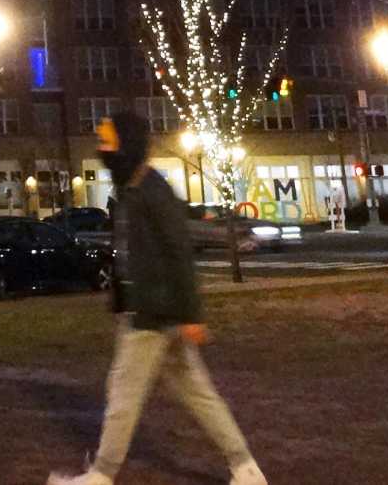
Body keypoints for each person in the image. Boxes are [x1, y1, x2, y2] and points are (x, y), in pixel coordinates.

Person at [49, 117, 266, 485]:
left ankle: (101, 474)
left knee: (123, 396)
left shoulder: (153, 191)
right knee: (198, 393)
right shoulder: (133, 190)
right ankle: (246, 468)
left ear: (127, 146)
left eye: (108, 143)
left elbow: (179, 252)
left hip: (153, 316)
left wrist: (191, 314)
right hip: (157, 313)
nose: (102, 150)